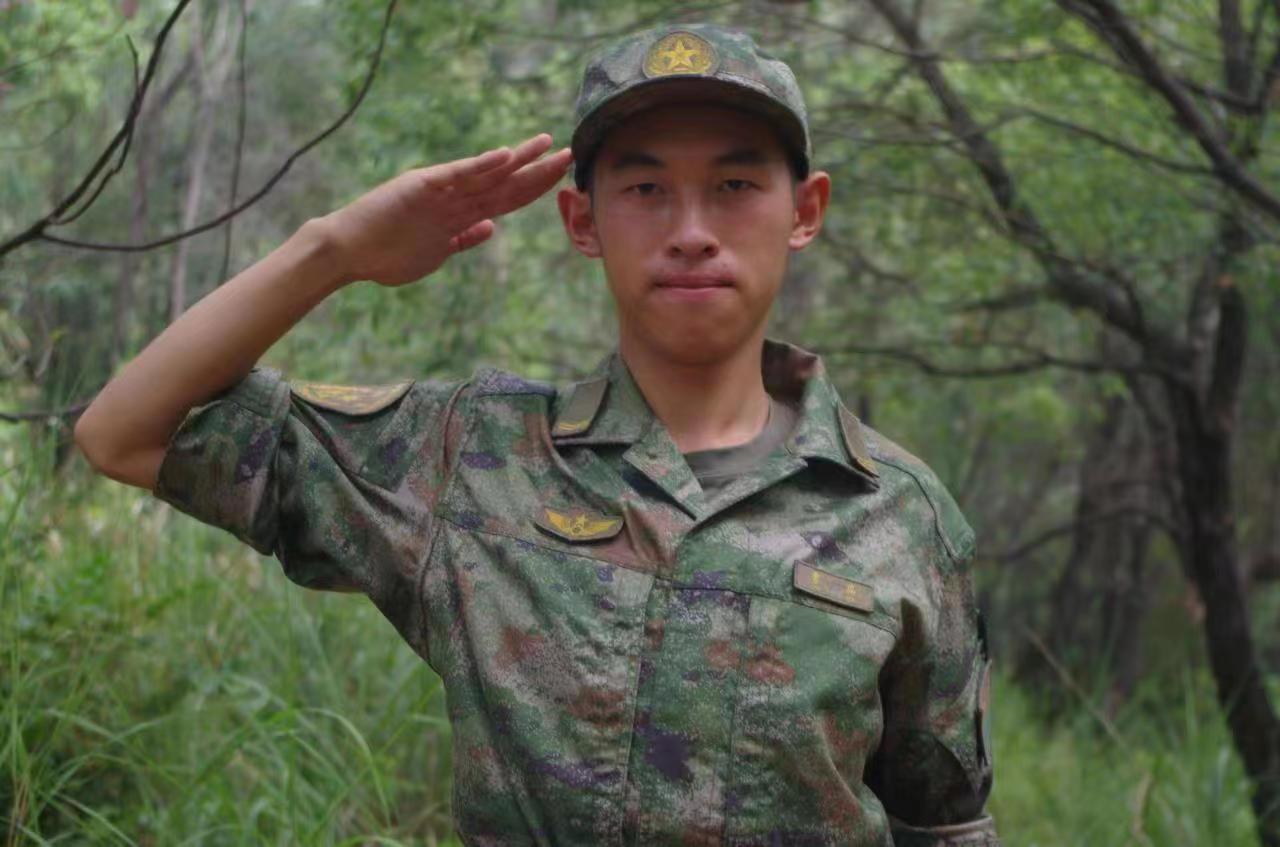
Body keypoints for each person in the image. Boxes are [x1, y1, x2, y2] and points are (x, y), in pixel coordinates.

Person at [74, 21, 998, 847]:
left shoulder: (899, 515)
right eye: (646, 187)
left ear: (804, 211)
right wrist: (333, 250)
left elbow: (944, 823)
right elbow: (124, 432)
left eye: (734, 184)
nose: (690, 230)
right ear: (581, 220)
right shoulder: (470, 457)